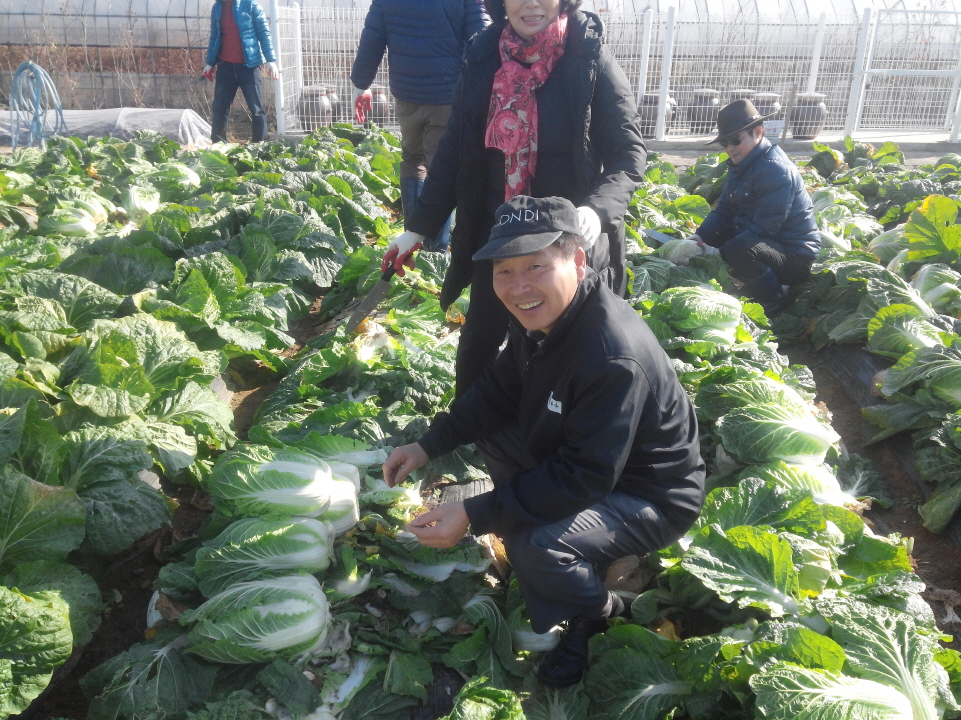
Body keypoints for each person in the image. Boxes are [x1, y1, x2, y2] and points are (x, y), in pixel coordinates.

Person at [382, 196, 705, 688]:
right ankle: (573, 541)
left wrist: (476, 513)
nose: (518, 287)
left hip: (651, 496)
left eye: (535, 266)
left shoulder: (610, 354)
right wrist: (428, 445)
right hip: (592, 465)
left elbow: (585, 476)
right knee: (494, 433)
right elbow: (496, 390)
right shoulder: (544, 316)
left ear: (577, 260)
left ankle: (600, 611)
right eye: (504, 271)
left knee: (534, 546)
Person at [381, 0, 647, 396]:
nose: (531, 4)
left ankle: (562, 438)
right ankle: (467, 434)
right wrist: (417, 228)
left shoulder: (588, 57)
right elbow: (456, 151)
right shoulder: (482, 57)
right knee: (478, 343)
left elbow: (628, 154)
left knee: (565, 348)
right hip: (499, 234)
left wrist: (597, 209)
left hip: (564, 242)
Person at [350, 0, 490, 252]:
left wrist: (362, 83)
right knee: (441, 166)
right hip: (448, 93)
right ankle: (434, 247)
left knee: (413, 159)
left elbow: (373, 36)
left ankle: (413, 241)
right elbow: (482, 35)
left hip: (407, 91)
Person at [687, 99, 820, 314]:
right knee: (721, 240)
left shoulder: (774, 169)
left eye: (735, 140)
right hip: (770, 245)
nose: (729, 148)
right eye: (724, 143)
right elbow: (725, 209)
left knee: (739, 249)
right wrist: (700, 237)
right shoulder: (741, 165)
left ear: (758, 132)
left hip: (794, 256)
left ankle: (774, 302)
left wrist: (720, 252)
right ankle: (757, 283)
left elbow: (765, 228)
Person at [203, 0, 279, 144]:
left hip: (249, 67)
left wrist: (271, 60)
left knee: (256, 109)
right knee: (219, 107)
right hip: (225, 67)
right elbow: (215, 36)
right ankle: (219, 147)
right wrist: (210, 62)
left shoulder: (250, 5)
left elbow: (264, 33)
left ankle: (259, 147)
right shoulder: (218, 7)